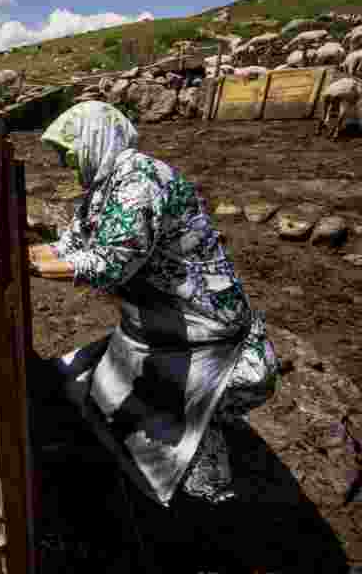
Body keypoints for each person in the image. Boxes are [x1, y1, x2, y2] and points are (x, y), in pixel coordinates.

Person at [29, 100, 279, 508]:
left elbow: (111, 265)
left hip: (204, 327)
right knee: (117, 397)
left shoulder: (140, 179)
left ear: (94, 140)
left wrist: (26, 264)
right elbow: (68, 247)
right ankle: (173, 483)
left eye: (66, 153)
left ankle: (205, 505)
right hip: (161, 322)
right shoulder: (100, 191)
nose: (62, 165)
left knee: (180, 411)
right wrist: (20, 254)